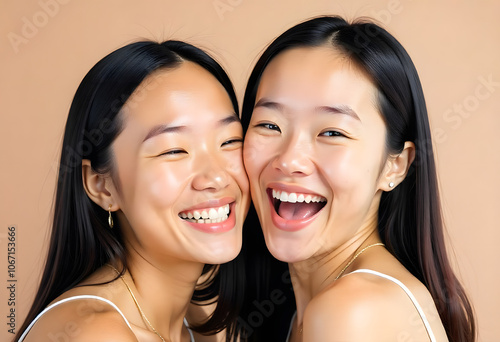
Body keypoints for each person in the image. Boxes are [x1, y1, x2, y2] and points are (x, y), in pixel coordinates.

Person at [241, 16, 475, 341]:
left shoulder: (353, 311)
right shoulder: (302, 310)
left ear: (395, 166)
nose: (290, 160)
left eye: (332, 132)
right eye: (269, 125)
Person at [16, 40, 250, 342]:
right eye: (174, 150)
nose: (216, 177)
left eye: (230, 141)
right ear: (102, 186)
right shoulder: (95, 334)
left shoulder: (195, 325)